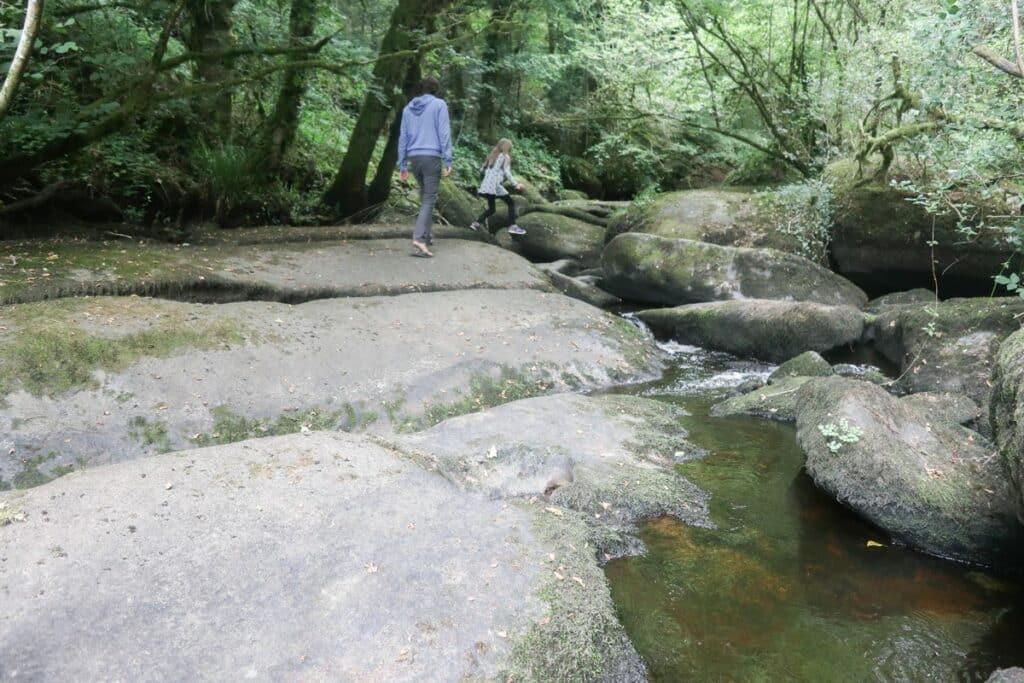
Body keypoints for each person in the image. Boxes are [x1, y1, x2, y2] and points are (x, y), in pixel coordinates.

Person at [398, 77, 453, 257]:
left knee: (425, 197)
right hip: (431, 157)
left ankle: (427, 236)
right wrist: (448, 160)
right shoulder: (439, 105)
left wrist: (403, 164)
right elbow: (444, 133)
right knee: (429, 198)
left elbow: (403, 138)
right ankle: (419, 239)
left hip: (415, 158)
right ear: (435, 90)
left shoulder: (407, 109)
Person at [471, 138, 526, 235]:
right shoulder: (505, 157)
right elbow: (507, 172)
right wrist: (516, 184)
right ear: (507, 147)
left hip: (486, 186)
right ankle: (512, 226)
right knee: (511, 203)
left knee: (492, 209)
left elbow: (481, 170)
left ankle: (476, 223)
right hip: (495, 185)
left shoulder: (491, 156)